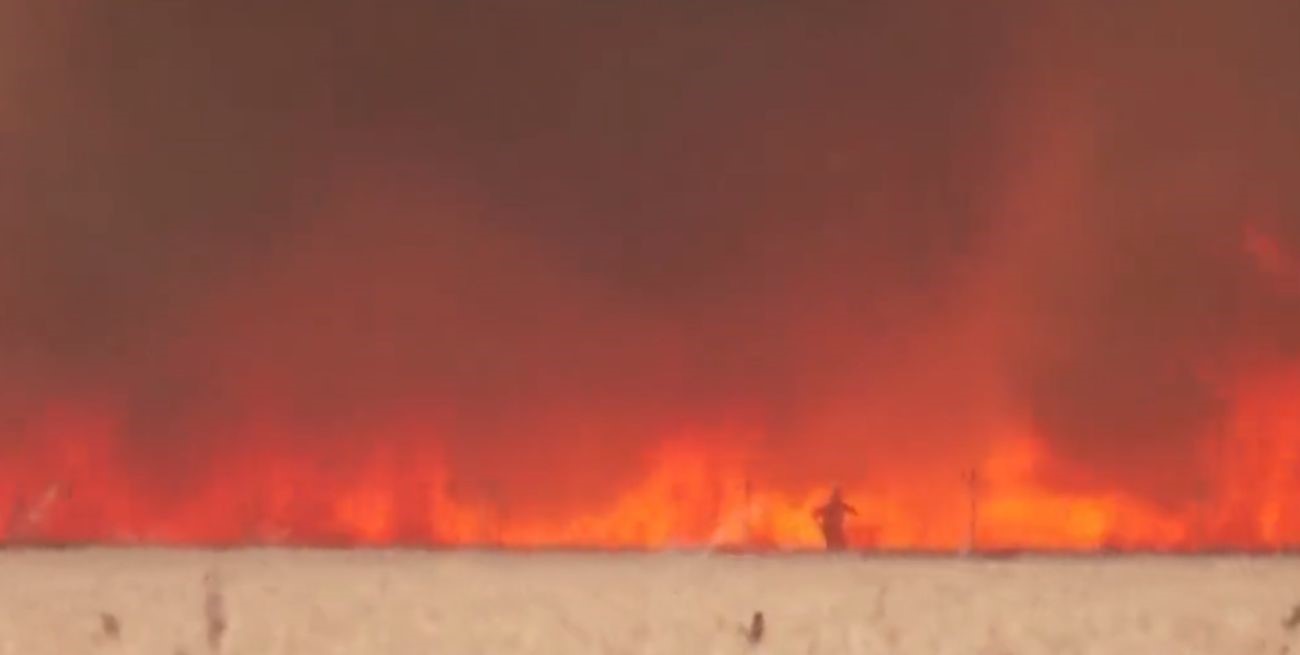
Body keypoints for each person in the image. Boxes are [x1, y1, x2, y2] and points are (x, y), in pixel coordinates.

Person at [812, 486, 857, 550]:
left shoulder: (837, 505)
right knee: (838, 544)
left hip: (830, 528)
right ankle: (833, 555)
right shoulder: (835, 505)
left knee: (837, 544)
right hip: (831, 528)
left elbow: (817, 513)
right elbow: (818, 513)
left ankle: (833, 554)